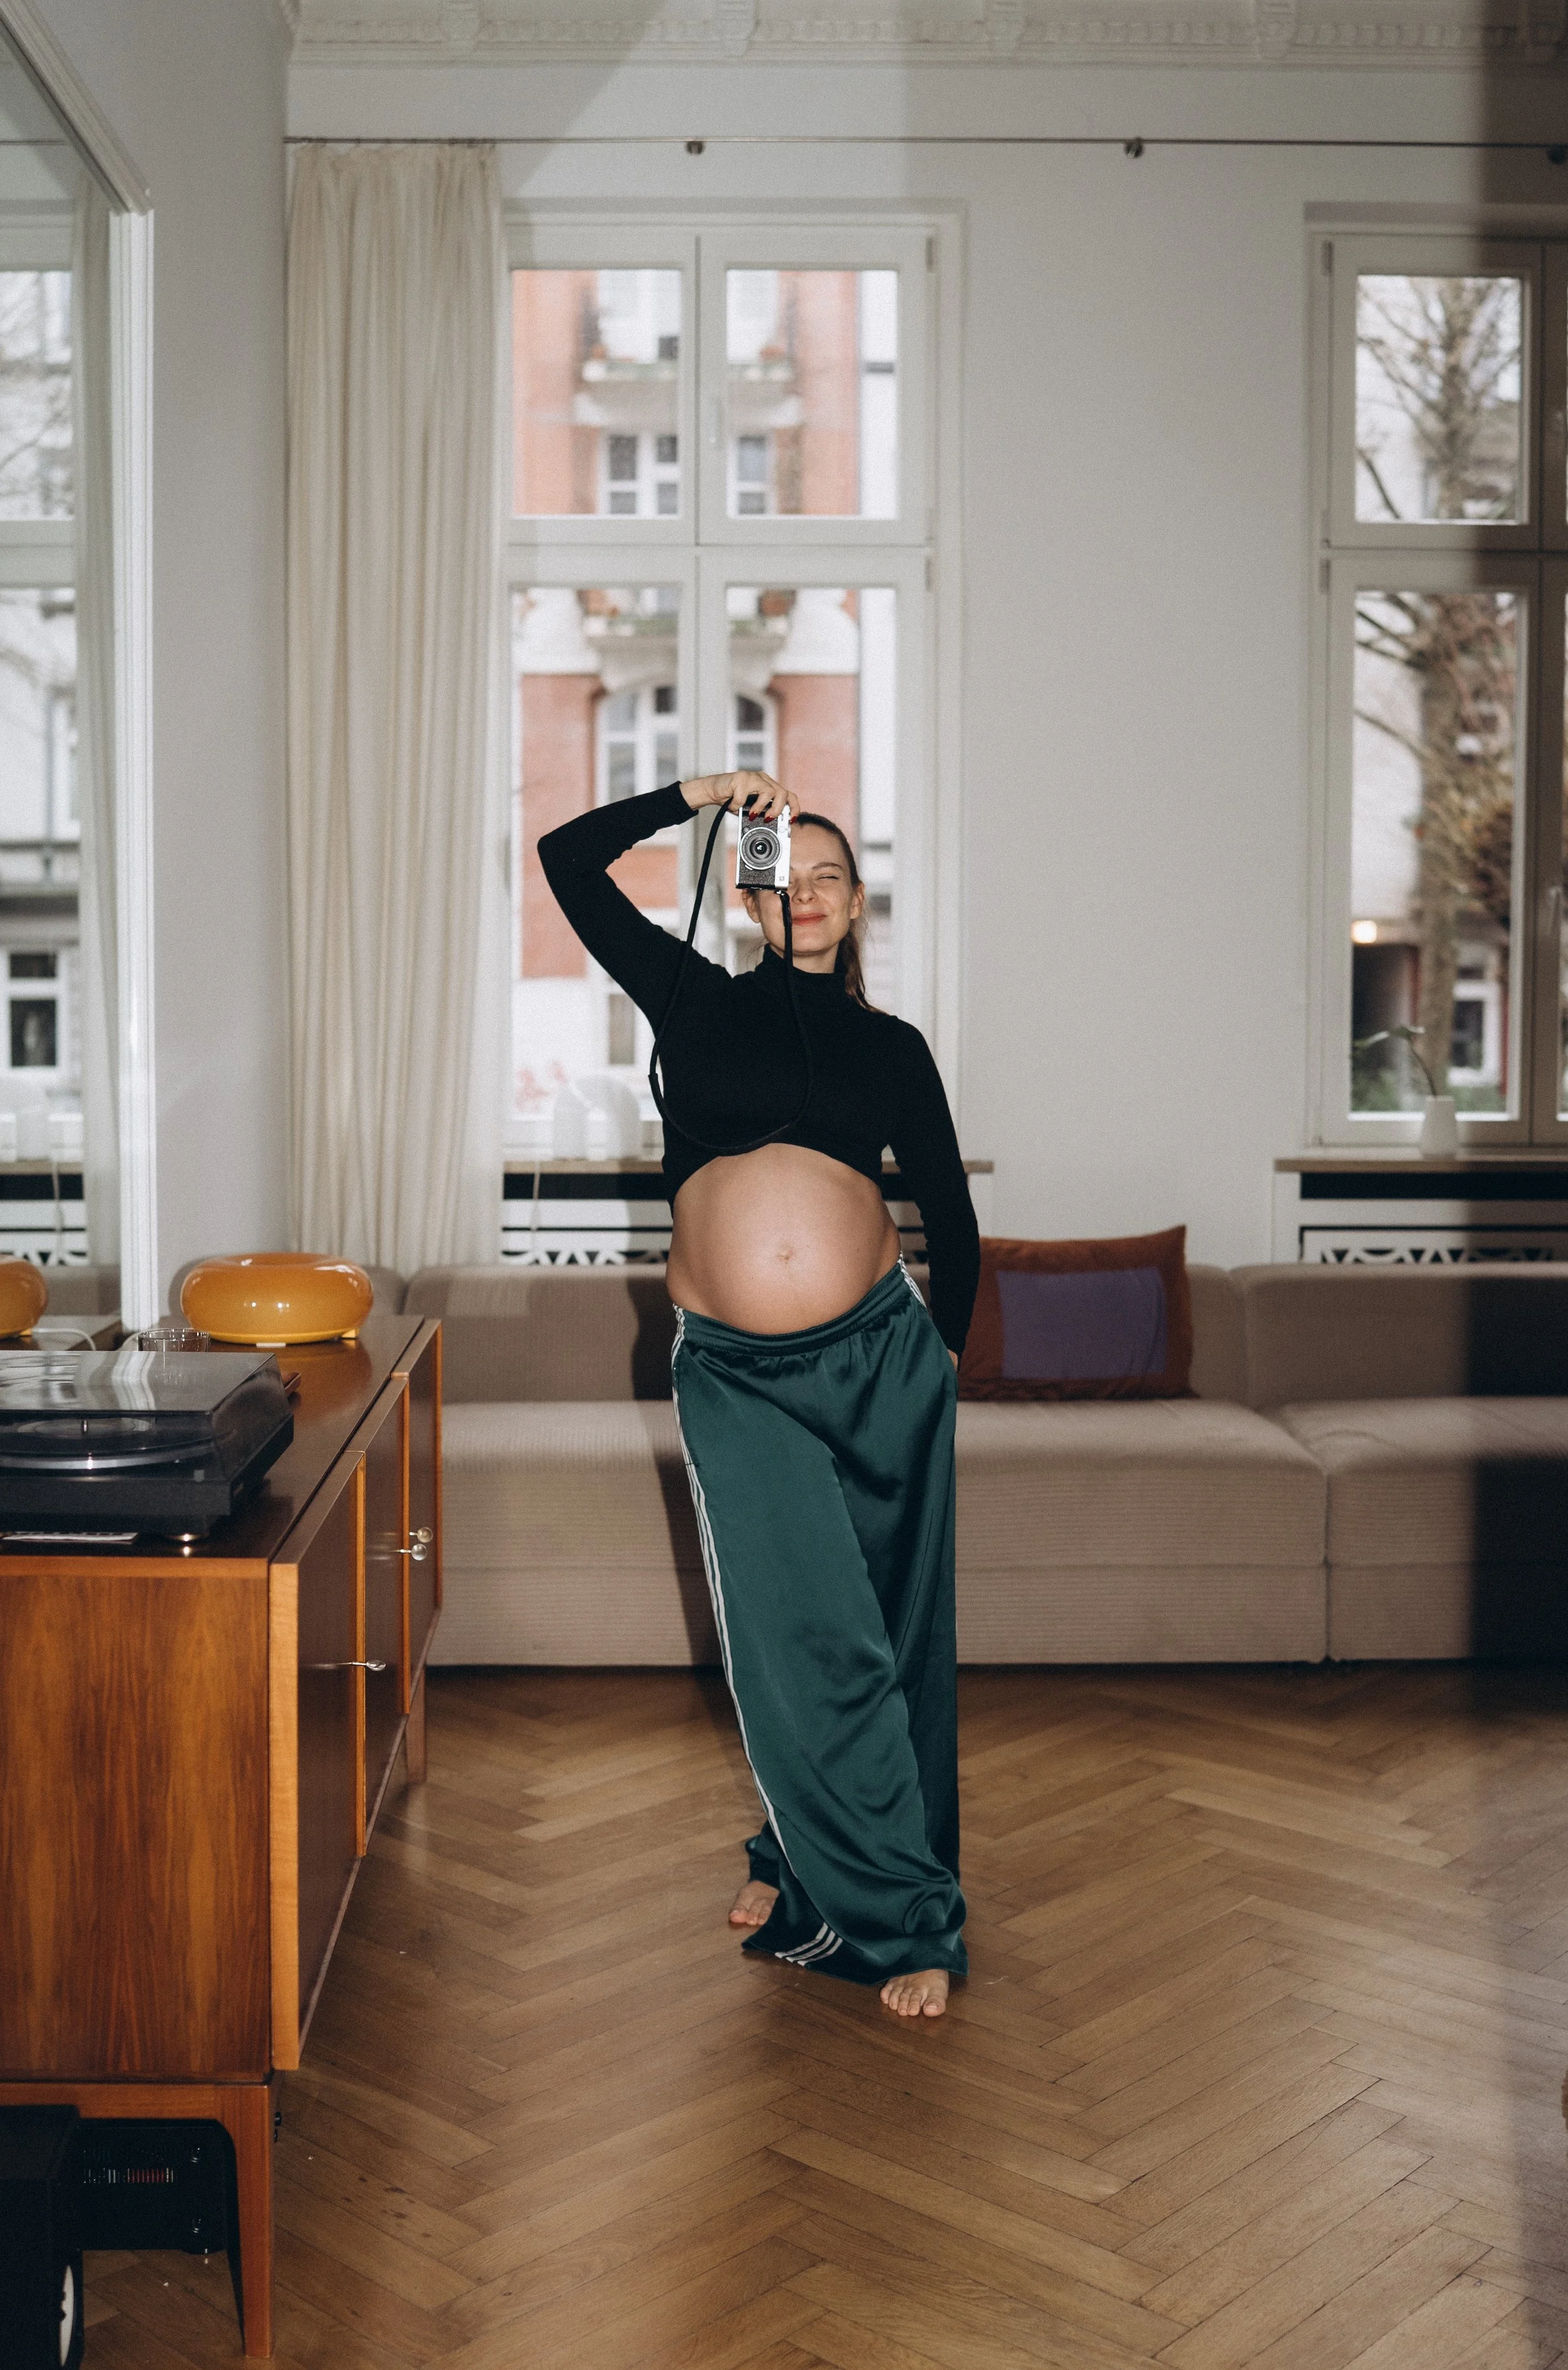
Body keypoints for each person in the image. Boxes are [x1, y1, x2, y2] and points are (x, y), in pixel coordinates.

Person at [539, 770, 980, 2018]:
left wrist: (941, 1354)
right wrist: (695, 793)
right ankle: (892, 1912)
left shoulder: (891, 1047)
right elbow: (566, 859)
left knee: (889, 1631)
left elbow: (947, 1209)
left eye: (837, 876)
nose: (814, 892)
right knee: (800, 1635)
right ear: (749, 896)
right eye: (793, 870)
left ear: (854, 910)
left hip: (882, 1360)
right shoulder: (686, 996)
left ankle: (833, 1864)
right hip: (735, 1374)